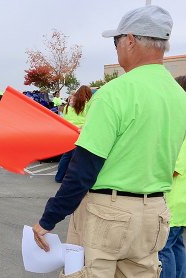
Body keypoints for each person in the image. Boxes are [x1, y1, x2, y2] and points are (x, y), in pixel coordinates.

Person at [32, 5, 186, 277]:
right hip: (155, 212)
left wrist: (49, 219)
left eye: (116, 41)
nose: (116, 48)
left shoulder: (114, 93)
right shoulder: (178, 95)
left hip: (108, 213)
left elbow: (83, 169)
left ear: (130, 40)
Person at [158, 75, 186, 278]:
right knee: (176, 245)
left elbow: (175, 166)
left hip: (175, 201)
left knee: (164, 248)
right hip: (180, 203)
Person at [55, 85, 92, 183]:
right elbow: (90, 119)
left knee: (66, 156)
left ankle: (59, 177)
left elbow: (64, 118)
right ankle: (74, 179)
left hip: (69, 131)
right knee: (78, 157)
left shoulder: (68, 106)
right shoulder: (87, 105)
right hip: (81, 132)